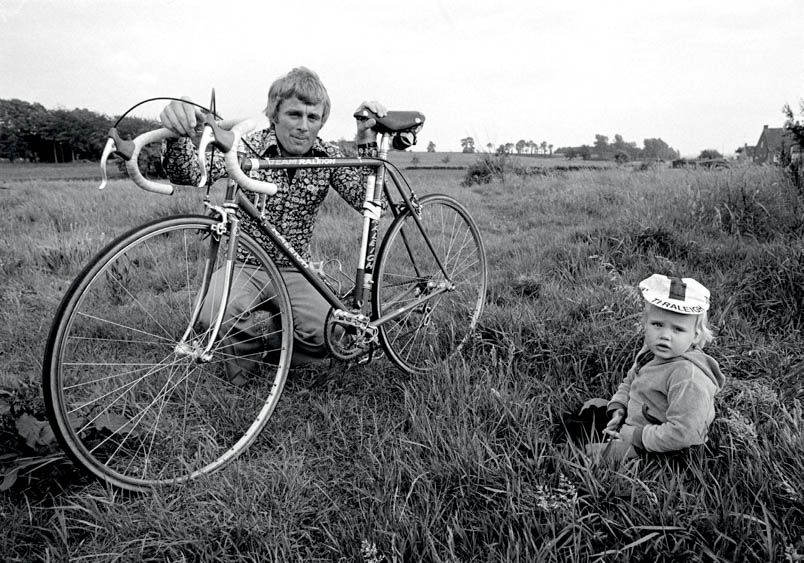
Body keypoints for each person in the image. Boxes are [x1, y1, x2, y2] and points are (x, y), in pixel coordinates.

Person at [159, 67, 387, 383]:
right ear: (274, 114)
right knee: (213, 315)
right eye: (294, 114)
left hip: (295, 268)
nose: (303, 126)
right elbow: (188, 173)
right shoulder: (244, 147)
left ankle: (283, 348)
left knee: (332, 335)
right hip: (244, 265)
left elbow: (370, 202)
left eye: (313, 117)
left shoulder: (328, 156)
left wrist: (365, 140)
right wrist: (178, 132)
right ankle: (245, 360)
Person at [582, 274, 725, 462]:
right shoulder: (652, 351)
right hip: (638, 419)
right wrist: (619, 409)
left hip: (663, 445)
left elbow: (685, 433)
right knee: (590, 408)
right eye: (657, 324)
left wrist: (635, 436)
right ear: (645, 324)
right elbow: (631, 381)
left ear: (696, 335)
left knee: (589, 453)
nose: (665, 335)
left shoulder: (688, 377)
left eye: (678, 329)